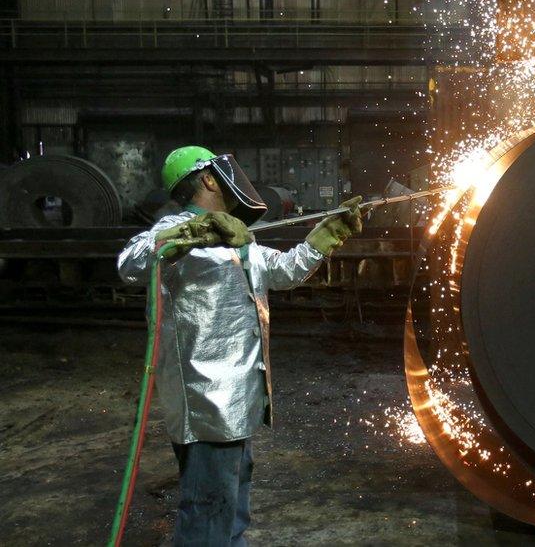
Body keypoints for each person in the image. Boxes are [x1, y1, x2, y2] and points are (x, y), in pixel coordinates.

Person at [118, 146, 362, 546]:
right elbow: (130, 262)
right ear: (210, 179)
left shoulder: (237, 237)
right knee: (208, 511)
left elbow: (283, 270)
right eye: (224, 172)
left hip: (239, 397)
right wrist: (189, 235)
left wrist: (325, 237)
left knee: (231, 506)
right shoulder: (176, 229)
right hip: (205, 400)